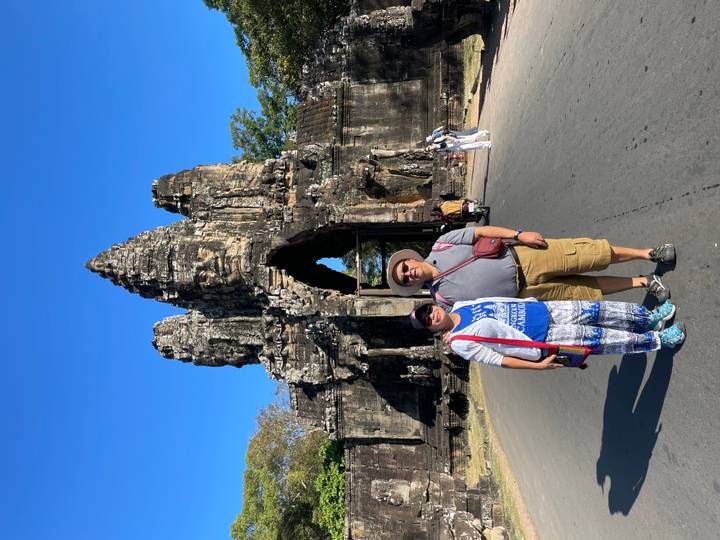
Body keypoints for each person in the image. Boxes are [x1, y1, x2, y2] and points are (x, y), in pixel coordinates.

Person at [387, 225, 675, 307]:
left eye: (405, 267)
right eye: (405, 278)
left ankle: (648, 253)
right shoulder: (442, 299)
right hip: (527, 295)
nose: (408, 273)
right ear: (410, 285)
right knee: (586, 291)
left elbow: (481, 233)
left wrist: (518, 235)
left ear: (410, 258)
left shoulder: (443, 244)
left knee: (590, 255)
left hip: (524, 257)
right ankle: (643, 282)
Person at [409, 298, 686, 370]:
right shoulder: (459, 343)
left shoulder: (461, 305)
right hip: (544, 339)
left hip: (544, 311)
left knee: (597, 311)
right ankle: (659, 340)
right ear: (432, 330)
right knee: (598, 339)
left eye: (428, 311)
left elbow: (498, 301)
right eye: (428, 321)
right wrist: (538, 366)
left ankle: (648, 319)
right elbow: (498, 360)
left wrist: (529, 302)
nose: (431, 316)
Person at [425, 125, 492, 152]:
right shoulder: (437, 150)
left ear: (429, 146)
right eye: (429, 150)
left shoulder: (436, 141)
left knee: (471, 138)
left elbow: (445, 137)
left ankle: (484, 133)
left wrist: (453, 139)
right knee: (470, 146)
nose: (430, 149)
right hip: (454, 147)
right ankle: (487, 144)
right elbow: (445, 150)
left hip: (454, 141)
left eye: (428, 148)